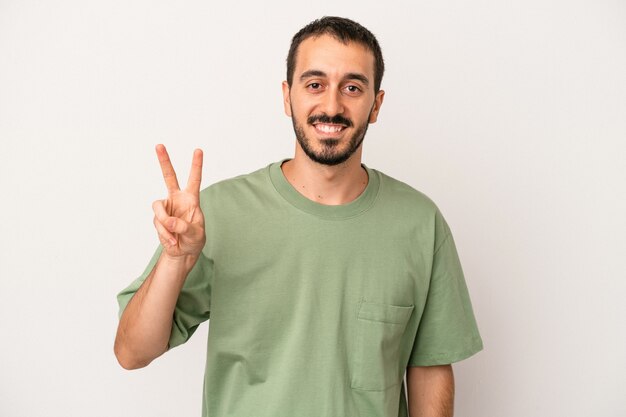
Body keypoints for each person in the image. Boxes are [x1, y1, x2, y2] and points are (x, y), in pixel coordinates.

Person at [114, 16, 483, 417]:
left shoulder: (420, 225)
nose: (331, 105)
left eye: (353, 88)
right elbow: (131, 352)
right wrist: (175, 260)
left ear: (375, 105)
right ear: (287, 97)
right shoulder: (216, 214)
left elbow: (429, 371)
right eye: (315, 84)